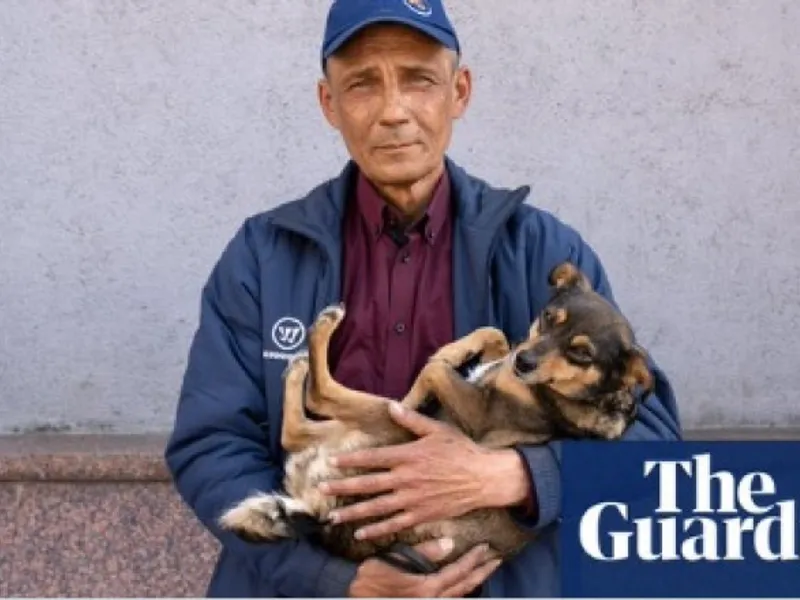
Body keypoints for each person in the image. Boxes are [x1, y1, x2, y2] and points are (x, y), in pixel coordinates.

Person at [164, 0, 682, 596]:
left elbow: (652, 444)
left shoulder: (542, 251)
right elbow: (212, 444)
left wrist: (514, 476)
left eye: (419, 80)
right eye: (362, 84)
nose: (393, 112)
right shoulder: (264, 255)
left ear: (459, 91)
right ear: (329, 104)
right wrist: (336, 580)